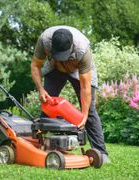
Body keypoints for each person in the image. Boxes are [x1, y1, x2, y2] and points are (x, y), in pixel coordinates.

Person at [30, 25, 110, 164]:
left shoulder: (82, 50)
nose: (62, 58)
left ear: (71, 47)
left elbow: (85, 87)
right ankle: (43, 147)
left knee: (89, 112)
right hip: (55, 69)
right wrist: (41, 90)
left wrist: (83, 115)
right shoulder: (44, 40)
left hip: (78, 70)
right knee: (47, 106)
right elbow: (35, 65)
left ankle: (101, 154)